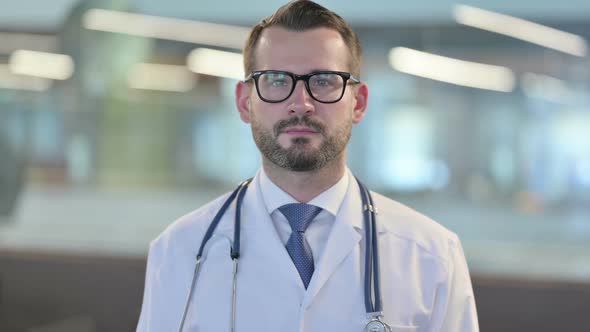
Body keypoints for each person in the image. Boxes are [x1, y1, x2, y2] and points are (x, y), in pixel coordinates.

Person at [136, 1, 479, 331]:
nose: (301, 104)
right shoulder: (179, 251)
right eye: (276, 80)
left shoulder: (432, 256)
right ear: (244, 102)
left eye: (324, 81)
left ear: (358, 103)